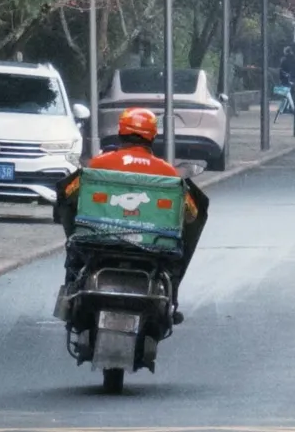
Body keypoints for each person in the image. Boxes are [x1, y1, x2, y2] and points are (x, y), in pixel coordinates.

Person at [57, 105, 210, 314]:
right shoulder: (167, 172)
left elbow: (68, 195)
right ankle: (172, 295)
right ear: (152, 137)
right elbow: (192, 214)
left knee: (74, 250)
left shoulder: (99, 164)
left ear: (120, 133)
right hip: (154, 248)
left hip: (97, 243)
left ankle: (71, 288)